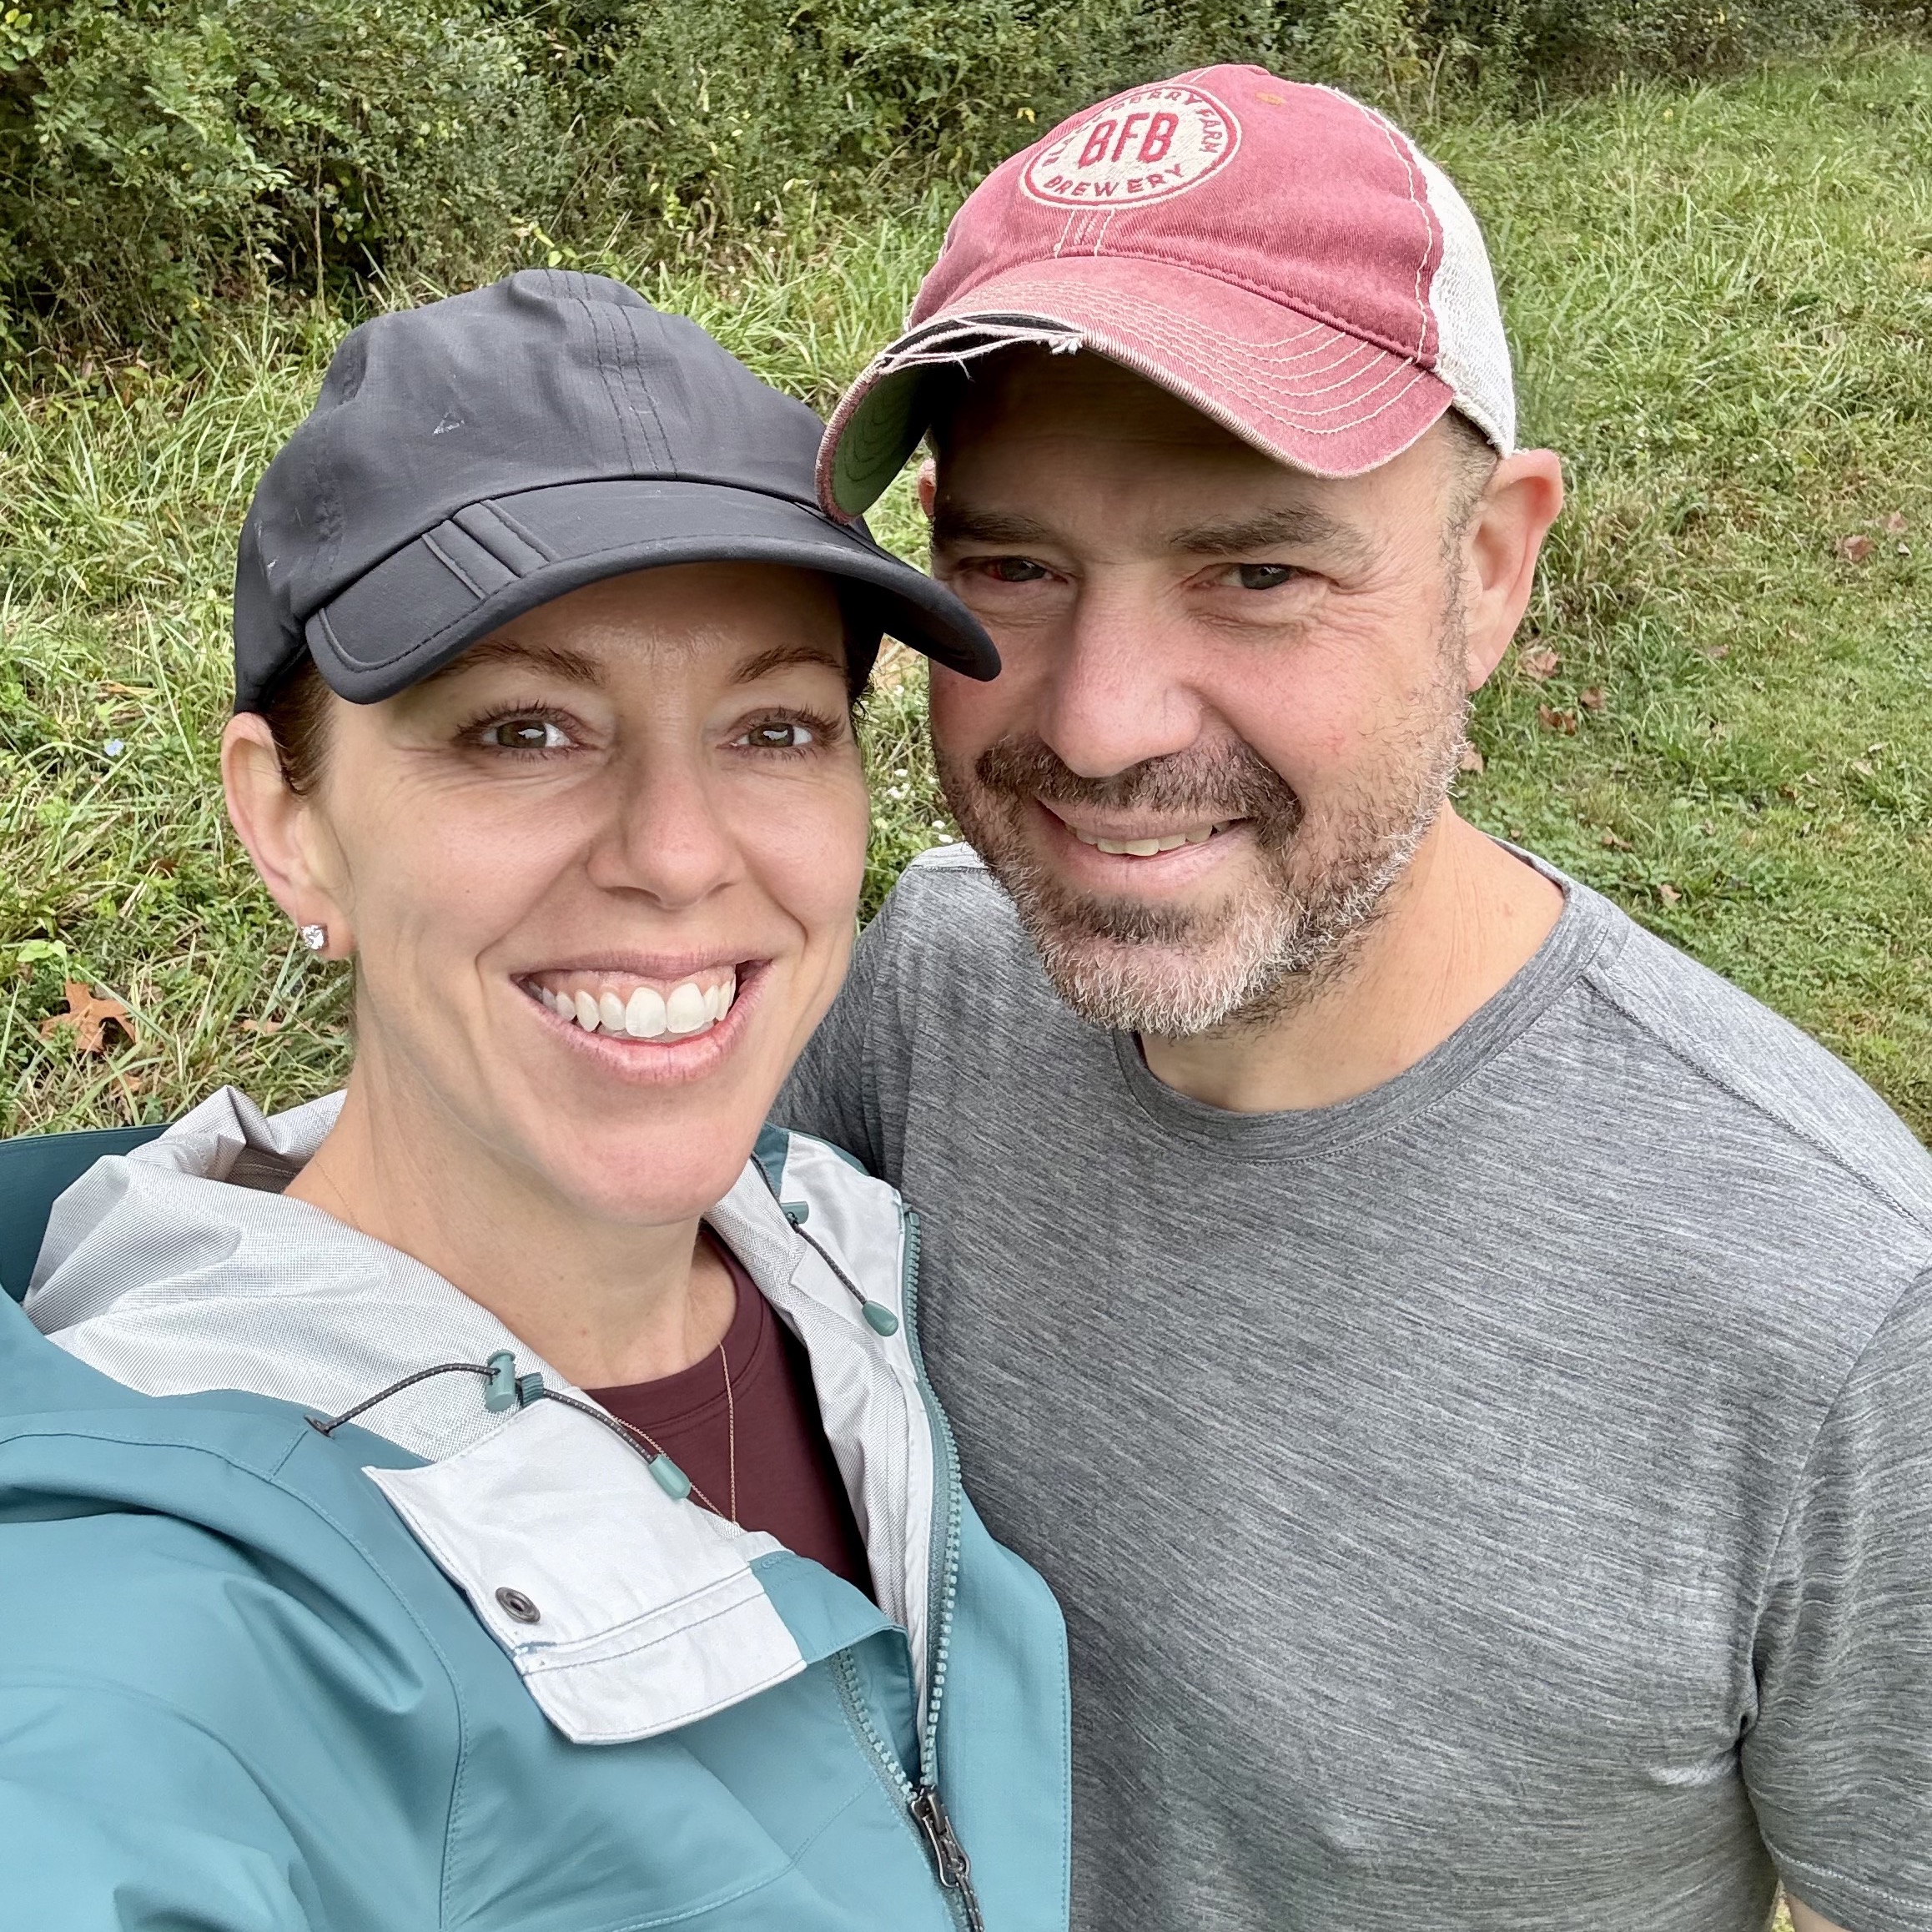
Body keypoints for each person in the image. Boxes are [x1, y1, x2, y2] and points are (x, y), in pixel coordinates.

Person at [781, 68, 1932, 1932]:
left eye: (1256, 571)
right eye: (1012, 567)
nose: (1100, 722)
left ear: (1492, 570)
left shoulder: (1837, 1311)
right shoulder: (924, 1000)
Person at [0, 269, 1069, 1931]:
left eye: (775, 727)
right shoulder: (161, 1621)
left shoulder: (843, 1256)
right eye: (524, 730)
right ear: (286, 820)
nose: (679, 853)